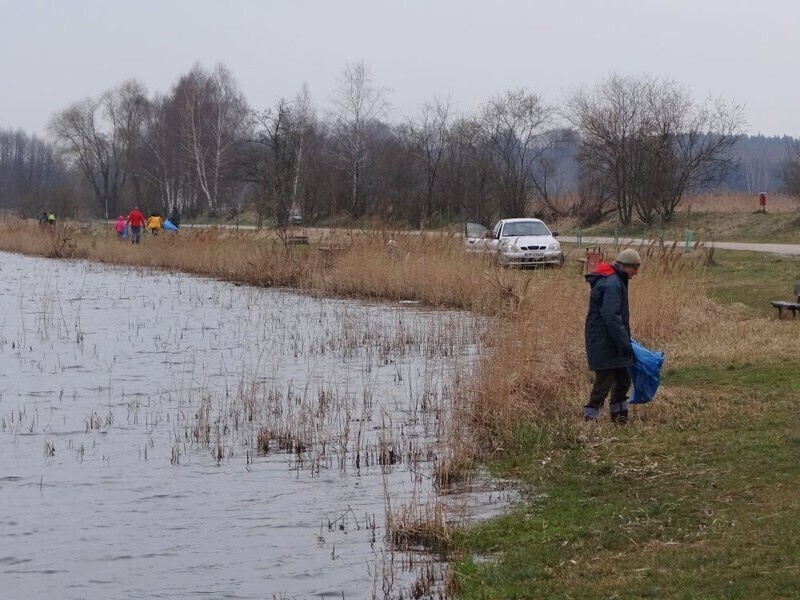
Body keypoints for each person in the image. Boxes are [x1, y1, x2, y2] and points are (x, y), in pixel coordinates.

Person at [583, 248, 642, 423]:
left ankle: (620, 418)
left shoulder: (615, 280)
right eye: (635, 268)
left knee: (624, 379)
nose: (636, 273)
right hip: (605, 342)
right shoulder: (613, 284)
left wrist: (623, 342)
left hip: (611, 341)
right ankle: (589, 421)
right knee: (603, 384)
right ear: (626, 266)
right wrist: (625, 344)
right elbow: (612, 318)